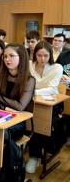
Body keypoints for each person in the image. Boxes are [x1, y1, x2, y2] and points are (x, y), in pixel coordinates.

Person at [0, 43, 35, 182]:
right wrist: (5, 107)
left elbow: (19, 107)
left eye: (12, 56)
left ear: (21, 58)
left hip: (17, 123)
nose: (7, 59)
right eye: (5, 56)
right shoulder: (0, 73)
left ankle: (6, 175)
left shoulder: (29, 80)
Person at [26, 41, 63, 174]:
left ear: (50, 55)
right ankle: (21, 151)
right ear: (34, 54)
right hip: (31, 102)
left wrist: (31, 92)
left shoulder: (57, 67)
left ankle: (34, 156)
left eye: (46, 56)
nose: (42, 59)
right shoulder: (29, 65)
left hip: (52, 104)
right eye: (39, 55)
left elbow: (52, 89)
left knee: (40, 124)